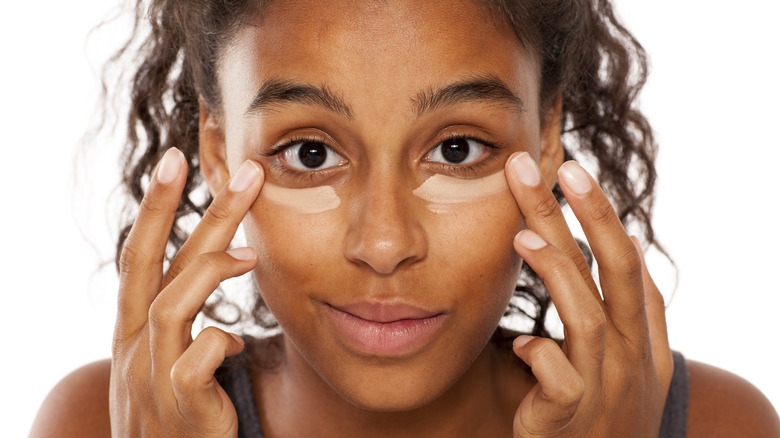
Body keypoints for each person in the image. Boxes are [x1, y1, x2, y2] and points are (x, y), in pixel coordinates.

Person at [30, 0, 780, 437]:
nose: (385, 244)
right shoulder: (98, 423)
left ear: (546, 140)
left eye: (456, 148)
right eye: (312, 153)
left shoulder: (720, 424)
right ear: (220, 155)